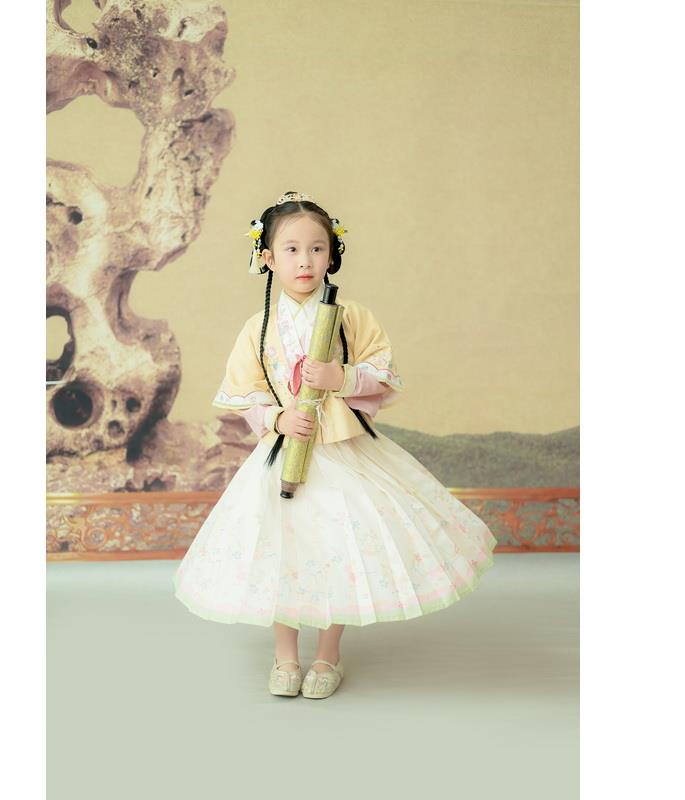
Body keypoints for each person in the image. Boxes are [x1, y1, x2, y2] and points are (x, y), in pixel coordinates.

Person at [173, 190, 498, 699]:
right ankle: (285, 655)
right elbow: (245, 392)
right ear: (267, 258)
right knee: (282, 550)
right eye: (291, 250)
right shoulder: (258, 328)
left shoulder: (351, 317)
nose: (305, 261)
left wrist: (340, 377)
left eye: (317, 248)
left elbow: (382, 375)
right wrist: (278, 417)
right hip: (286, 454)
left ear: (332, 254)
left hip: (343, 452)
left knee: (338, 549)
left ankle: (328, 655)